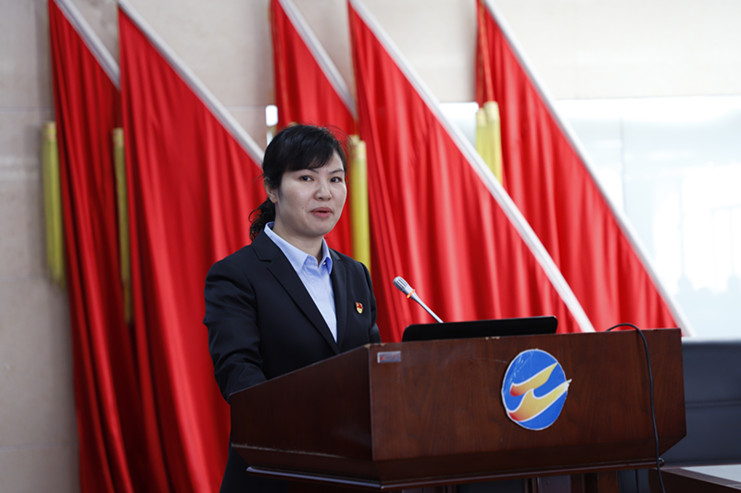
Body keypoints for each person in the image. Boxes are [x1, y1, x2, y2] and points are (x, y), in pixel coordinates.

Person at [203, 124, 381, 492]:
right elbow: (240, 379)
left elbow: (374, 370)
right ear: (272, 188)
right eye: (306, 178)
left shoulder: (355, 274)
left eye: (335, 179)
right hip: (275, 475)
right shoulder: (236, 275)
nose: (325, 192)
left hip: (352, 477)